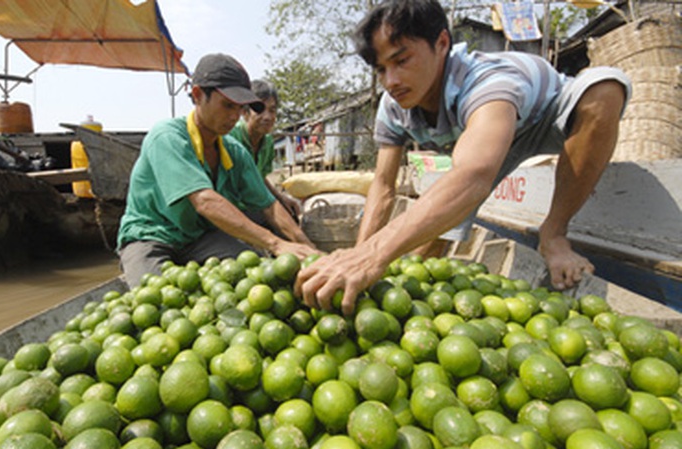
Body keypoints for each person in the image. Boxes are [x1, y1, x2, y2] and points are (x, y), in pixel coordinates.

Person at [295, 0, 630, 314]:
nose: (391, 81)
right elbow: (383, 187)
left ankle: (554, 233)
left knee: (603, 90)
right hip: (480, 144)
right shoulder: (393, 107)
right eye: (381, 69)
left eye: (401, 60)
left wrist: (373, 255)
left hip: (544, 119)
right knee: (428, 242)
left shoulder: (486, 82)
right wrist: (359, 256)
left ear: (442, 43)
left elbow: (473, 174)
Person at [117, 53, 319, 287]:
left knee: (258, 276)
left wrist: (308, 248)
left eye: (240, 108)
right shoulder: (168, 137)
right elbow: (204, 201)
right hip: (151, 237)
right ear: (198, 95)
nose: (235, 116)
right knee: (156, 300)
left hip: (197, 237)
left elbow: (269, 205)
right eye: (227, 105)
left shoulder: (234, 151)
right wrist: (276, 243)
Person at [228, 80, 301, 218]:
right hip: (233, 209)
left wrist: (281, 198)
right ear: (245, 112)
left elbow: (259, 178)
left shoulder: (267, 143)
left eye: (272, 110)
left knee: (290, 215)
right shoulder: (231, 138)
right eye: (259, 110)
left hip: (254, 207)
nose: (267, 117)